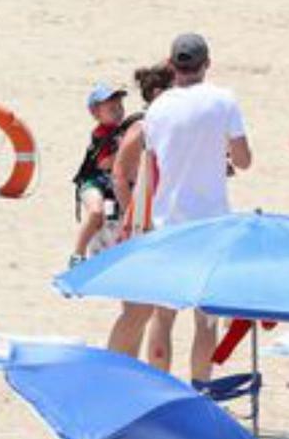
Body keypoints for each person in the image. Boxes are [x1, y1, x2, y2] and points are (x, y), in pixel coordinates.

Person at [141, 32, 251, 380]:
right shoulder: (223, 100)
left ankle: (159, 388)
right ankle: (200, 388)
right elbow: (244, 160)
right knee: (206, 319)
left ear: (172, 65)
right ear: (207, 64)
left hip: (168, 222)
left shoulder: (157, 108)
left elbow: (155, 162)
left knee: (163, 316)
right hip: (212, 224)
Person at [105, 61, 175, 361]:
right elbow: (119, 175)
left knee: (147, 312)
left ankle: (129, 373)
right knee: (137, 312)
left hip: (153, 225)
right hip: (138, 226)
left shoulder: (168, 126)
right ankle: (113, 372)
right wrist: (133, 220)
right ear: (158, 93)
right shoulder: (143, 126)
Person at [70, 83, 130, 265]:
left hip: (112, 184)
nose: (118, 112)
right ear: (95, 113)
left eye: (120, 107)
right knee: (96, 212)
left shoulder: (125, 130)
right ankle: (77, 254)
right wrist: (128, 151)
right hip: (93, 182)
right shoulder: (101, 133)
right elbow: (104, 163)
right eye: (112, 109)